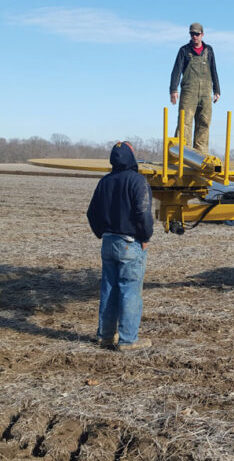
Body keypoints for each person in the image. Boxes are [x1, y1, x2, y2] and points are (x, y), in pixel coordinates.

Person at [86, 141, 154, 351]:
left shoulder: (104, 182)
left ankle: (105, 336)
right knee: (130, 291)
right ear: (132, 158)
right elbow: (143, 213)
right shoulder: (138, 181)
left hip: (108, 242)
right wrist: (145, 237)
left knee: (109, 288)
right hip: (130, 244)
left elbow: (91, 213)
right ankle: (128, 340)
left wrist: (102, 234)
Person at [169, 22, 221, 154]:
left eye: (197, 34)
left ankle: (200, 155)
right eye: (192, 34)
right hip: (189, 92)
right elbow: (176, 71)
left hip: (205, 92)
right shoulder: (184, 50)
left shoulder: (209, 50)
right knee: (184, 122)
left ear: (202, 35)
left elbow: (213, 70)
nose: (194, 37)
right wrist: (173, 90)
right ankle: (182, 155)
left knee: (204, 122)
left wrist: (217, 90)